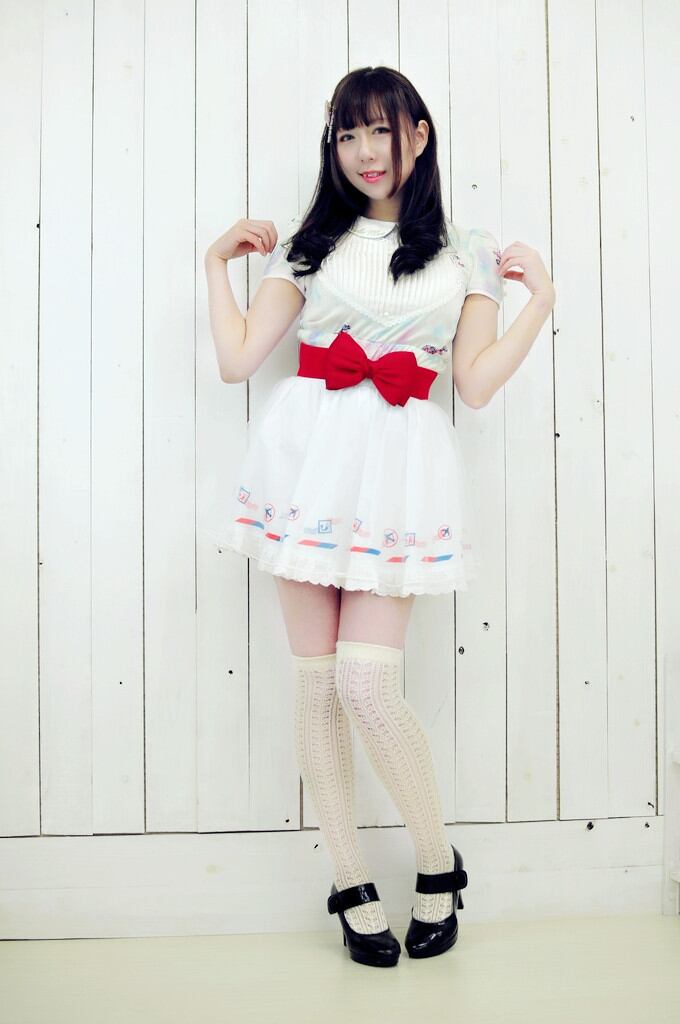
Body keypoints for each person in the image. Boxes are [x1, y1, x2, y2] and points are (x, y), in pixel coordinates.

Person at [204, 66, 556, 968]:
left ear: (419, 135)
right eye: (348, 134)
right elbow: (240, 359)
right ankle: (351, 882)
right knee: (318, 686)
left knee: (368, 684)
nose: (365, 152)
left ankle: (438, 863)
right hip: (305, 468)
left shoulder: (466, 252)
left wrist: (540, 303)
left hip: (398, 473)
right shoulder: (311, 245)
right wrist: (214, 266)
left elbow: (473, 384)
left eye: (381, 131)